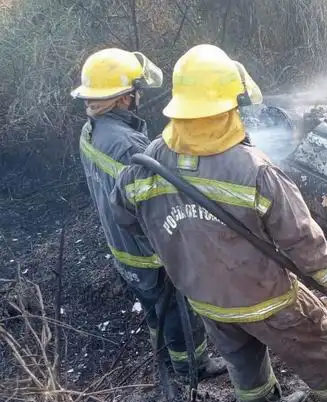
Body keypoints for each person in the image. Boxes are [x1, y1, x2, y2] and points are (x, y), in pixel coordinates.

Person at [109, 44, 327, 402]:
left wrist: (176, 244)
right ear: (230, 106)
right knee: (317, 337)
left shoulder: (147, 164)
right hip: (264, 297)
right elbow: (301, 238)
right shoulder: (255, 171)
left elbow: (123, 215)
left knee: (240, 352)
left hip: (204, 297)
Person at [71, 48, 227, 381]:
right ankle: (192, 366)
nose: (139, 96)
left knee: (153, 306)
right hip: (147, 250)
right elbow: (156, 199)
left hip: (121, 244)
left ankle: (165, 358)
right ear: (124, 98)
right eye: (136, 90)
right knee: (176, 308)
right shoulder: (127, 144)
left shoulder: (90, 130)